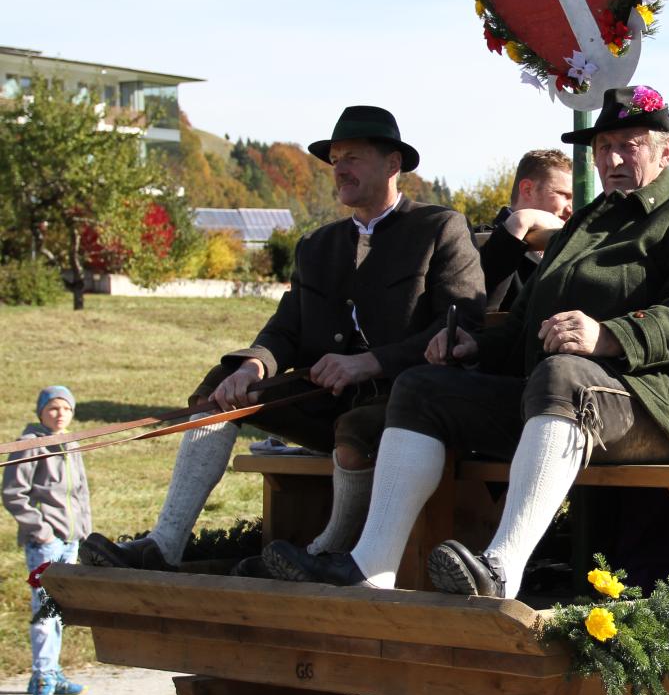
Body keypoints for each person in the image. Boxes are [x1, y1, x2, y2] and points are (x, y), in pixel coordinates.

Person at [263, 85, 669, 598]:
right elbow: (524, 324)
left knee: (561, 375)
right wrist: (474, 348)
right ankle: (372, 566)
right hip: (554, 398)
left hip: (656, 404)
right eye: (602, 147)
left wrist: (610, 335)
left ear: (665, 151)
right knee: (421, 388)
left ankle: (500, 568)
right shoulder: (584, 226)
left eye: (627, 146)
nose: (611, 160)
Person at [82, 106, 485, 575]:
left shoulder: (439, 227)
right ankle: (164, 545)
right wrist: (253, 366)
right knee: (221, 385)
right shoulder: (316, 245)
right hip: (322, 397)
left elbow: (460, 323)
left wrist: (370, 362)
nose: (340, 169)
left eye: (352, 157)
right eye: (335, 159)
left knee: (356, 430)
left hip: (402, 401)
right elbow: (286, 329)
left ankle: (323, 556)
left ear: (392, 163)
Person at [3, 387, 91, 695]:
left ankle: (53, 672)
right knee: (44, 610)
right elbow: (13, 493)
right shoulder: (29, 444)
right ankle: (43, 680)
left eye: (66, 408)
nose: (59, 414)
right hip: (46, 543)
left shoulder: (72, 442)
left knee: (58, 610)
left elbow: (81, 492)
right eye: (53, 408)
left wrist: (84, 532)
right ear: (40, 412)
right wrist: (41, 531)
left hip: (71, 539)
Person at [478, 149, 573, 311]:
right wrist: (520, 222)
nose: (571, 209)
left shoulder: (571, 243)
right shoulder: (475, 242)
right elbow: (477, 306)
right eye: (563, 195)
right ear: (527, 189)